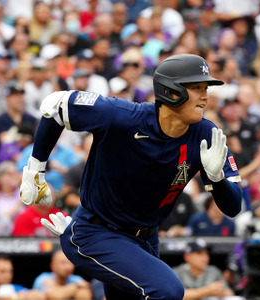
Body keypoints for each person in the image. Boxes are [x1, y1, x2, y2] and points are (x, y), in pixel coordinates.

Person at [19, 54, 242, 300]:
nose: (205, 96)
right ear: (172, 91)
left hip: (145, 240)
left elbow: (233, 207)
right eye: (196, 87)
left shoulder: (207, 134)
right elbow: (55, 105)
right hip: (97, 233)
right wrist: (34, 170)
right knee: (168, 291)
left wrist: (216, 177)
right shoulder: (122, 116)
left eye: (205, 88)